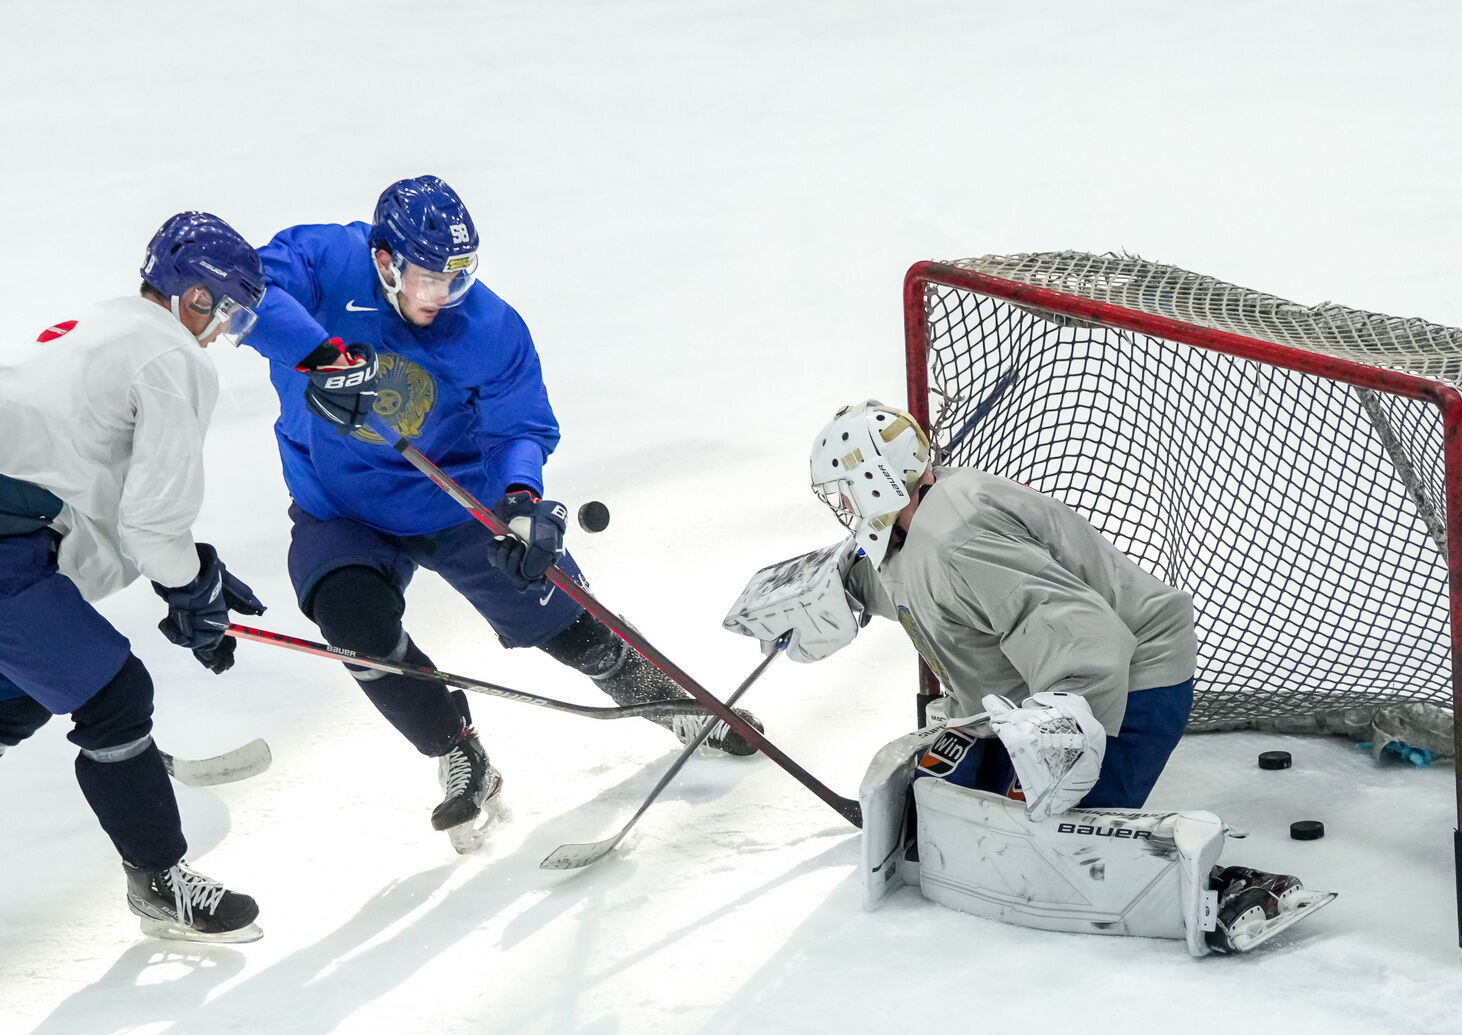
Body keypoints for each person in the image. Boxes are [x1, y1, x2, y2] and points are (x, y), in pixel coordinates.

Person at [241, 175, 762, 853]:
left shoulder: (488, 327)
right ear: (384, 261)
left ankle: (673, 700)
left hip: (453, 495)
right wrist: (321, 359)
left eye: (457, 278)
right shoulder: (324, 259)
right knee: (352, 623)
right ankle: (458, 751)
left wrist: (520, 499)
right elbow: (248, 289)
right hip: (337, 504)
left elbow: (518, 425)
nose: (442, 296)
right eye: (428, 278)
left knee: (571, 629)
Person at [724, 400, 1332, 954]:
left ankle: (1229, 891)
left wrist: (1057, 743)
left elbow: (1086, 637)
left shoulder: (959, 538)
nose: (842, 507)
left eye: (845, 492)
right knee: (955, 813)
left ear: (877, 481)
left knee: (1038, 849)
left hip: (1125, 686)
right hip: (1037, 696)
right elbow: (926, 590)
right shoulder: (917, 526)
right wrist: (841, 588)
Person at [0, 213, 268, 943]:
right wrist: (191, 588)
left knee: (17, 695)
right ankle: (159, 883)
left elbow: (86, 492)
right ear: (196, 297)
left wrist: (194, 576)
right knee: (115, 697)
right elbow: (151, 524)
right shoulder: (172, 356)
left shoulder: (103, 325)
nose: (223, 330)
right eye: (227, 310)